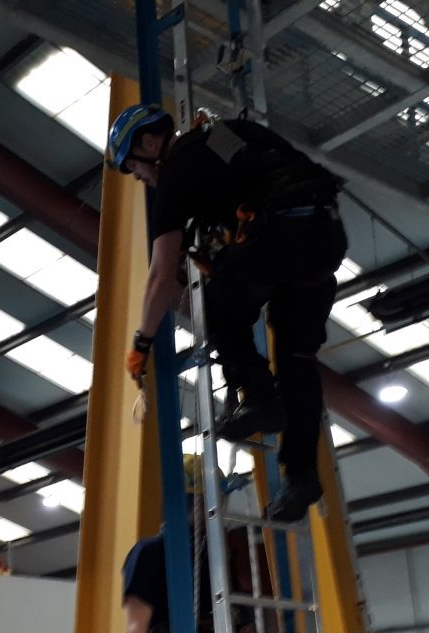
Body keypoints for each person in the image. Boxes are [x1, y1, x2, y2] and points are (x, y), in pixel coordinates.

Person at [111, 105, 347, 522]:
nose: (139, 178)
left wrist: (140, 344)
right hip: (324, 234)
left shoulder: (178, 168)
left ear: (149, 143)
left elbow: (161, 275)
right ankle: (301, 474)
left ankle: (257, 396)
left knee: (219, 296)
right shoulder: (232, 134)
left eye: (133, 167)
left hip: (282, 233)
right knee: (297, 357)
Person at [122, 454, 265, 633]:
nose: (216, 509)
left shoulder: (215, 555)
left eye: (218, 501)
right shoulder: (150, 553)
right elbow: (136, 627)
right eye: (209, 501)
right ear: (188, 501)